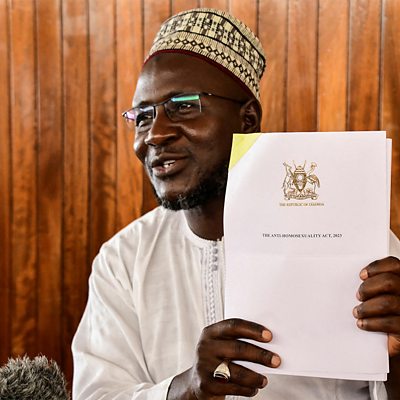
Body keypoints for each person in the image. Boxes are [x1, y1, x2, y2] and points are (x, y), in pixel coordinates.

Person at [72, 8, 400, 400]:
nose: (155, 134)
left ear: (247, 121)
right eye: (142, 117)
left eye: (183, 106)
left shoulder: (353, 239)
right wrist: (186, 390)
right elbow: (97, 393)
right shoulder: (124, 260)